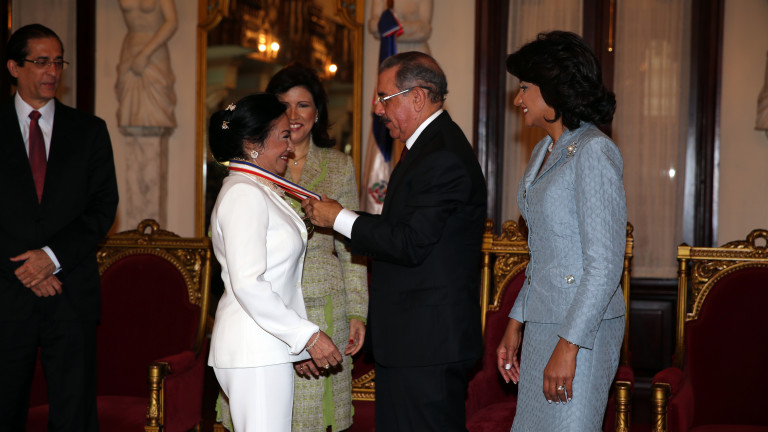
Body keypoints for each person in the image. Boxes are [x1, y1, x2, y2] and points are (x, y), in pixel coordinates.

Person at [303, 51, 486, 432]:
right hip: (413, 343)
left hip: (427, 345)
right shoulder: (426, 148)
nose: (377, 109)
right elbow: (401, 229)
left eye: (384, 98)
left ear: (417, 97)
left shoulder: (442, 156)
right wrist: (342, 218)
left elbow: (409, 242)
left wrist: (339, 218)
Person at [496, 31, 627, 432]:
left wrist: (569, 346)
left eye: (524, 88)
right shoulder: (543, 150)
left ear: (552, 88)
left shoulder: (594, 150)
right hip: (543, 322)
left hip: (583, 328)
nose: (517, 99)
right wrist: (516, 322)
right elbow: (544, 254)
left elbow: (605, 265)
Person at [0, 23, 119, 431]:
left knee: (74, 416)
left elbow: (103, 207)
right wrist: (26, 268)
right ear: (14, 67)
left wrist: (51, 258)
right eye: (41, 61)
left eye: (58, 62)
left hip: (70, 294)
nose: (52, 71)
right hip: (6, 293)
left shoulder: (89, 131)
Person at [207, 93, 343, 432]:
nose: (291, 147)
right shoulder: (244, 193)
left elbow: (280, 281)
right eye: (284, 136)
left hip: (266, 347)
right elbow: (249, 284)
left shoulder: (259, 188)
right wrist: (307, 337)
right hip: (253, 349)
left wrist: (293, 347)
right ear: (253, 144)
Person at [266, 64, 368, 432]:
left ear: (317, 112)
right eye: (284, 105)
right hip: (269, 305)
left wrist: (358, 312)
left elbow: (351, 247)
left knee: (316, 419)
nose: (293, 115)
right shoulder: (257, 164)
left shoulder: (339, 166)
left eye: (303, 105)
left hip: (326, 305)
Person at [116, 0, 177, 136]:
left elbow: (172, 22)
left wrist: (145, 54)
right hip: (129, 49)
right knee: (129, 113)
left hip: (154, 51)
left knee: (157, 110)